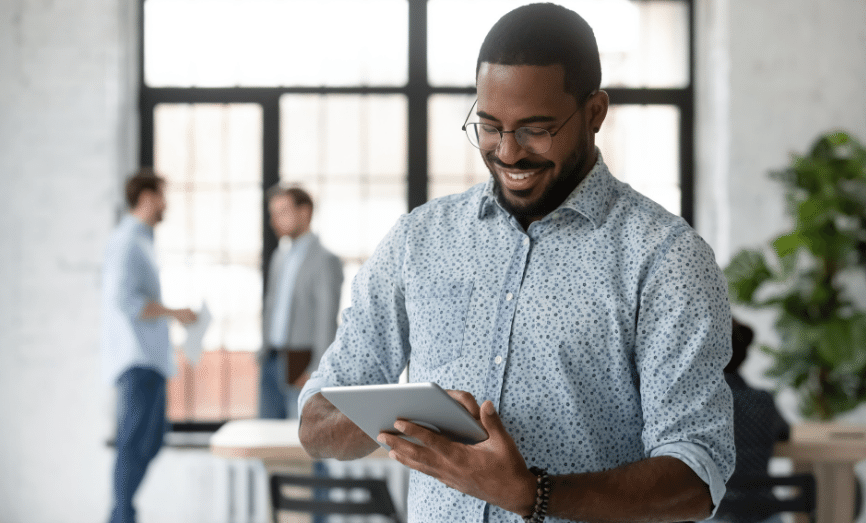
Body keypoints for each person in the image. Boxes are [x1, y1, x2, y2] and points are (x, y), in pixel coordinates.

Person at [298, 4, 735, 523]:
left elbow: (696, 476)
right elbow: (316, 423)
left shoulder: (664, 257)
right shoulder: (419, 241)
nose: (507, 152)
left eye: (535, 129)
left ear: (594, 113)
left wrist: (531, 493)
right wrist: (403, 419)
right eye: (488, 126)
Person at [100, 168, 197, 523]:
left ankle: (121, 513)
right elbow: (126, 300)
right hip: (136, 360)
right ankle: (121, 516)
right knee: (132, 444)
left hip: (151, 360)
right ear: (146, 197)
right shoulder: (127, 240)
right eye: (162, 195)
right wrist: (176, 312)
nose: (166, 203)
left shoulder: (142, 240)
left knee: (151, 440)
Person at [259, 185, 343, 419]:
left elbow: (326, 319)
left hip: (302, 359)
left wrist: (317, 369)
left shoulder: (325, 260)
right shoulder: (279, 257)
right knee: (268, 439)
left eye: (282, 212)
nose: (275, 220)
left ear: (304, 212)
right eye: (272, 213)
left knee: (305, 438)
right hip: (272, 357)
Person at [713, 319, 791, 523]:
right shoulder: (762, 400)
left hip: (715, 514)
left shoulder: (696, 405)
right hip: (764, 514)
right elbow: (784, 433)